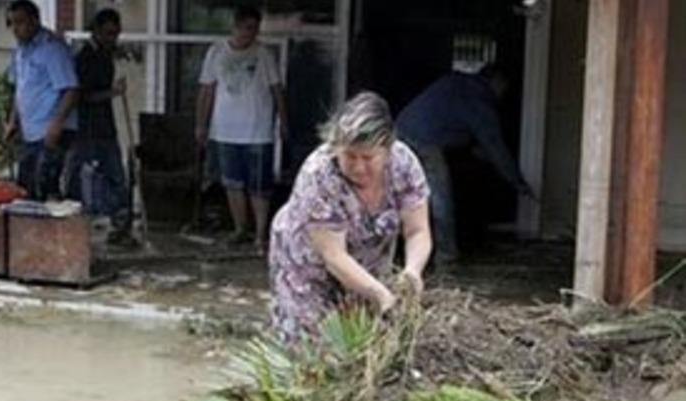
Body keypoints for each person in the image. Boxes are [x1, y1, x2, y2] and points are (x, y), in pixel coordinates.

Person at [269, 92, 432, 344]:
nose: (358, 167)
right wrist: (381, 294)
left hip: (369, 261)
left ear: (387, 149)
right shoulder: (319, 175)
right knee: (313, 344)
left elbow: (417, 231)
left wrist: (412, 271)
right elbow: (333, 257)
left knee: (365, 335)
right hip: (309, 265)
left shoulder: (404, 164)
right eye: (349, 156)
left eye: (368, 158)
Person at [394, 65, 532, 265]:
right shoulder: (479, 100)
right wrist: (517, 182)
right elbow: (495, 146)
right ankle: (446, 255)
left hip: (400, 130)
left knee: (398, 195)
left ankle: (390, 250)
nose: (504, 93)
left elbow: (458, 130)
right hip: (424, 143)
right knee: (441, 199)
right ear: (496, 82)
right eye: (504, 87)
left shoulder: (455, 82)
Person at [195, 5, 288, 253]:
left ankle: (259, 234)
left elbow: (277, 90)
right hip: (224, 129)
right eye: (247, 28)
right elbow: (206, 90)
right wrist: (201, 124)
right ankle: (240, 229)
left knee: (259, 185)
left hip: (257, 131)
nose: (251, 33)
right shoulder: (216, 52)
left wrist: (282, 122)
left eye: (255, 29)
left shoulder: (265, 55)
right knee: (232, 182)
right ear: (235, 26)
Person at [4, 0, 79, 201]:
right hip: (30, 131)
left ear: (35, 20)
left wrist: (56, 125)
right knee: (24, 189)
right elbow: (21, 88)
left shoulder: (52, 48)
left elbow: (71, 89)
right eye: (12, 24)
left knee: (44, 190)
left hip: (51, 131)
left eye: (20, 22)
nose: (16, 29)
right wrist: (13, 120)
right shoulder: (20, 51)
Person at [71, 8, 130, 242]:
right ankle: (80, 222)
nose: (112, 38)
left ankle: (120, 225)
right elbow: (82, 96)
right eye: (108, 33)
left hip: (105, 126)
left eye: (116, 34)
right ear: (95, 31)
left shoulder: (106, 53)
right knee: (87, 176)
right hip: (87, 127)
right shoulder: (84, 58)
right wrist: (112, 92)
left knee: (116, 175)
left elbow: (119, 51)